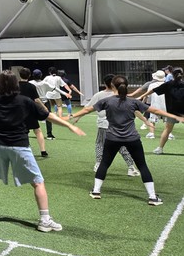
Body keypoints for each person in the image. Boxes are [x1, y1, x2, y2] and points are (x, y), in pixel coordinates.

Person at [0, 70, 85, 232]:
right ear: (15, 84)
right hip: (20, 146)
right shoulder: (25, 101)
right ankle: (45, 220)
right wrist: (68, 125)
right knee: (37, 182)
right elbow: (48, 116)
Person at [71, 75, 183, 205]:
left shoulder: (106, 101)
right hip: (132, 139)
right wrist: (175, 116)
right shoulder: (133, 102)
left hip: (112, 138)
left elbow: (87, 109)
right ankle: (152, 197)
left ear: (112, 86)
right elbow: (155, 110)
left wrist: (70, 117)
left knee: (104, 164)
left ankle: (96, 191)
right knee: (142, 166)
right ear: (126, 86)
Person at [78, 74, 138, 176]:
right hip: (119, 125)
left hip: (103, 125)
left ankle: (98, 164)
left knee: (100, 144)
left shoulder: (99, 95)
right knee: (122, 146)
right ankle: (131, 167)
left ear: (105, 84)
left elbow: (87, 108)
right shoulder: (121, 95)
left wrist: (78, 117)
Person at [138, 66, 184, 155]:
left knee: (167, 129)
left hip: (172, 112)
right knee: (167, 129)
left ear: (172, 75)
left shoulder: (168, 84)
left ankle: (160, 148)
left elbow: (153, 90)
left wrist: (142, 96)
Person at [18, 68, 49, 158]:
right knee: (37, 131)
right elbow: (36, 100)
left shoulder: (15, 86)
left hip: (18, 111)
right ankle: (43, 151)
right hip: (30, 111)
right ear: (29, 75)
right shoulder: (31, 86)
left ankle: (24, 150)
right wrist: (44, 107)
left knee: (22, 132)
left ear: (20, 75)